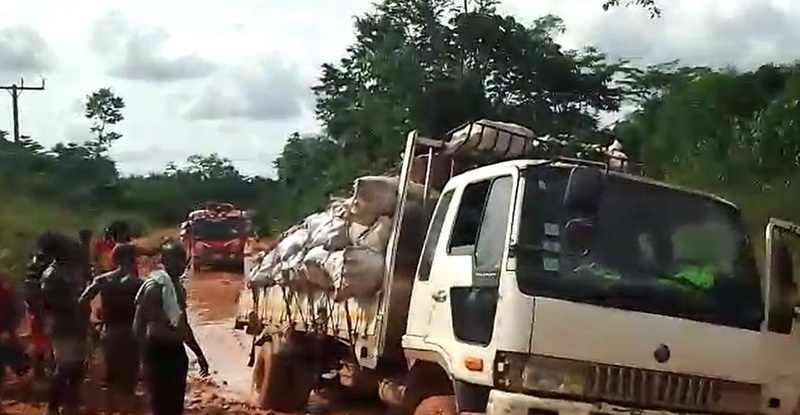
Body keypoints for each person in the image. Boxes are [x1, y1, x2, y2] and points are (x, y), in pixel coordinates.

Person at [134, 242, 209, 415]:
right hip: (156, 351)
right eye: (173, 260)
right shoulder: (154, 286)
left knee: (175, 406)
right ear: (163, 260)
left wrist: (199, 354)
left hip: (176, 352)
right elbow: (139, 324)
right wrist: (141, 360)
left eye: (181, 260)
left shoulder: (179, 289)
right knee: (159, 405)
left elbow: (183, 325)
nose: (179, 265)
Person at [79, 243, 143, 415]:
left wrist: (90, 327)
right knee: (129, 382)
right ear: (133, 260)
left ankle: (109, 411)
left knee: (110, 379)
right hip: (131, 335)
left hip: (109, 334)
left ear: (114, 259)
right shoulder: (139, 284)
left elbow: (82, 302)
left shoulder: (102, 280)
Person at [40, 232, 88, 415]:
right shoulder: (51, 275)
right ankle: (53, 407)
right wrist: (75, 302)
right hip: (63, 326)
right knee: (64, 368)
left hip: (76, 324)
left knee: (78, 366)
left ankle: (70, 403)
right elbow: (51, 303)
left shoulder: (68, 270)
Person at [0, 271, 29, 398]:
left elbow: (12, 311)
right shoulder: (5, 293)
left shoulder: (6, 292)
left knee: (16, 361)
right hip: (4, 332)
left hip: (6, 331)